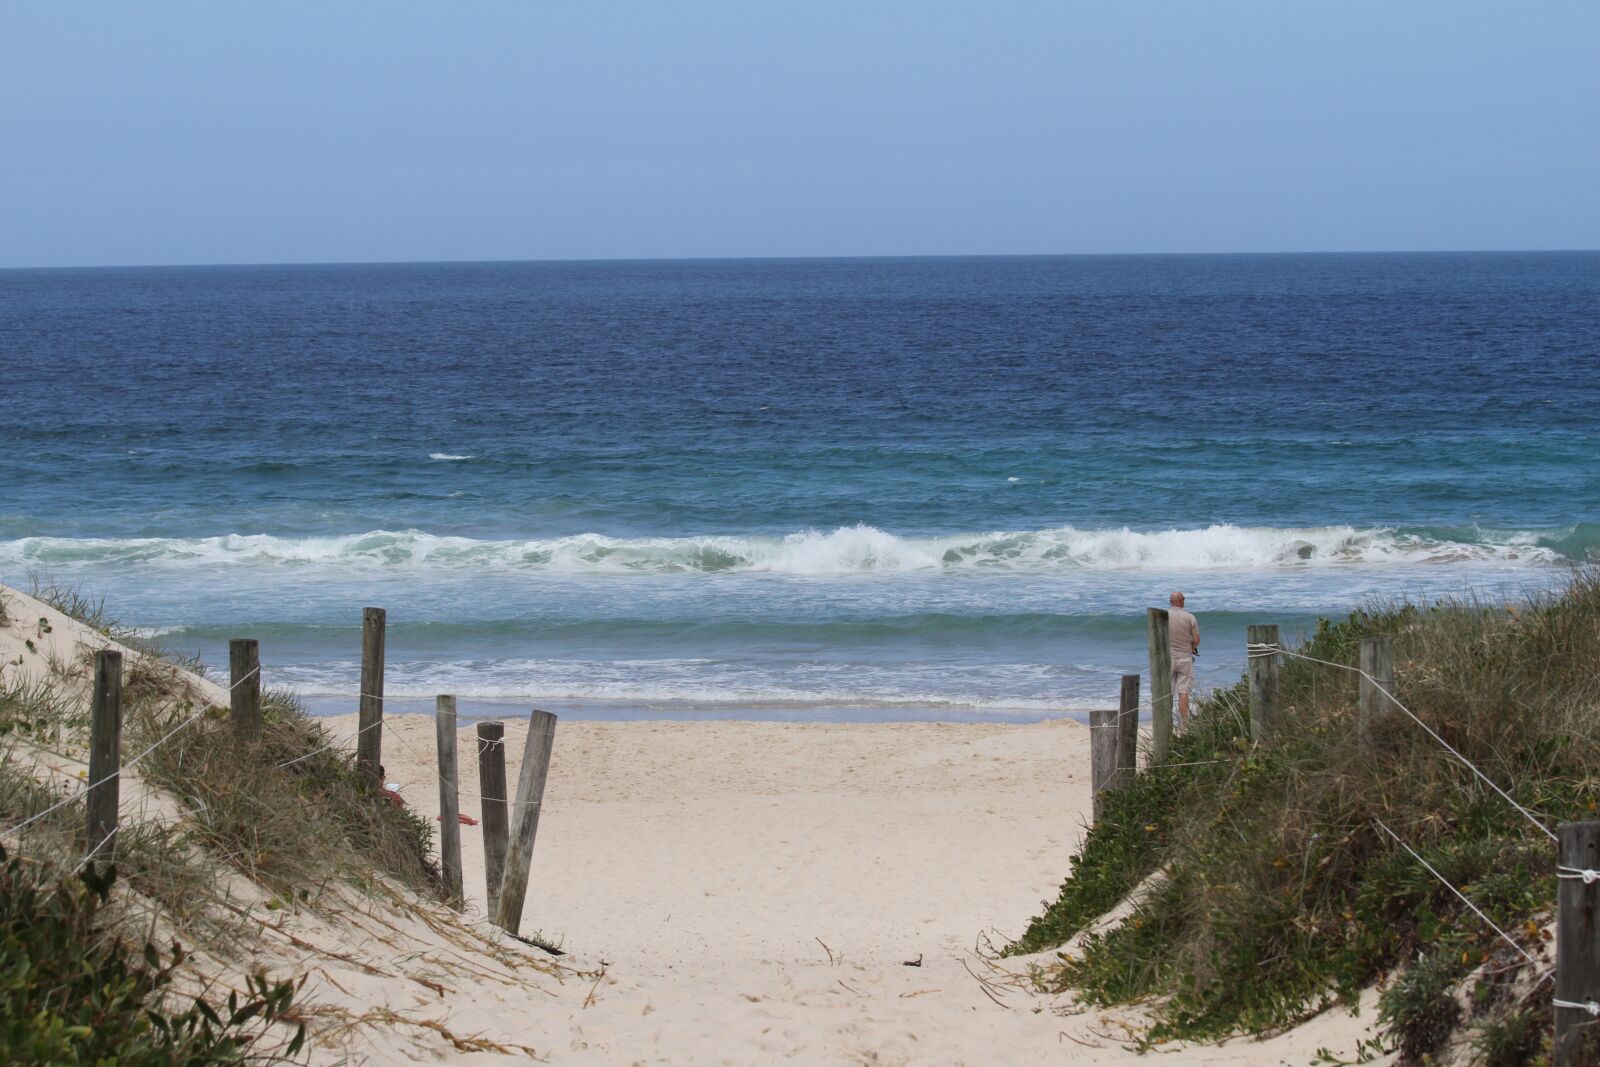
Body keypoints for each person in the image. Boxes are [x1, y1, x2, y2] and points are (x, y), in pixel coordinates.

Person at [1167, 591, 1200, 730]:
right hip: (1185, 658)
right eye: (1184, 599)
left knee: (1166, 692)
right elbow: (1197, 640)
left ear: (1170, 601)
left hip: (1167, 658)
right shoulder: (1189, 617)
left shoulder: (1163, 616)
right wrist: (1190, 648)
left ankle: (1166, 722)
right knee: (1183, 691)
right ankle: (1184, 724)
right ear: (1181, 601)